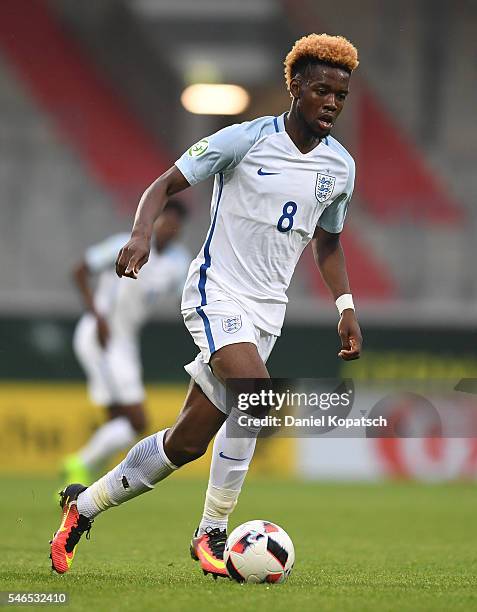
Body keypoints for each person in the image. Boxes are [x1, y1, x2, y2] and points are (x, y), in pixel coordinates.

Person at [50, 33, 363, 577]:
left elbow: (329, 242)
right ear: (294, 87)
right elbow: (164, 184)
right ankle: (211, 533)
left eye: (341, 95)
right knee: (258, 397)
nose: (332, 103)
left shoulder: (340, 168)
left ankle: (83, 505)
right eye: (321, 91)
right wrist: (140, 235)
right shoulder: (242, 140)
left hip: (267, 312)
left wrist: (345, 305)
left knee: (184, 443)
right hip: (217, 291)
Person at [62, 200, 190, 485]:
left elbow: (187, 298)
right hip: (101, 336)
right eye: (165, 221)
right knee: (136, 420)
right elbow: (80, 270)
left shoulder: (178, 263)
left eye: (175, 225)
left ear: (180, 230)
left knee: (119, 420)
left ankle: (83, 478)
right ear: (155, 222)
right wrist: (97, 315)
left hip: (126, 341)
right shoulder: (126, 244)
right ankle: (79, 465)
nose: (169, 228)